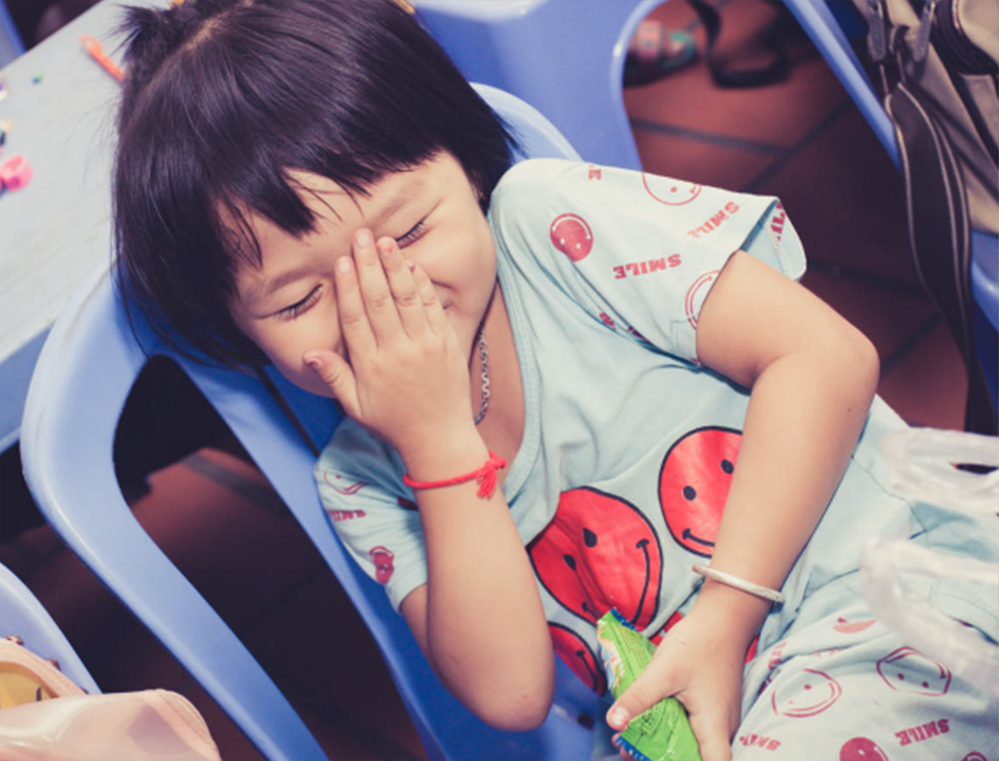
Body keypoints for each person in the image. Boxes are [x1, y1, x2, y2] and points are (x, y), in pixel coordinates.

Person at [111, 1, 998, 759]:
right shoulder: (359, 479)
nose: (381, 301)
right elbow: (509, 694)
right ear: (232, 331)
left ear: (469, 166)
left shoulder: (553, 227)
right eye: (303, 297)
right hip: (704, 716)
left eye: (407, 234)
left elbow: (825, 355)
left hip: (886, 593)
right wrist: (437, 444)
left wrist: (726, 613)